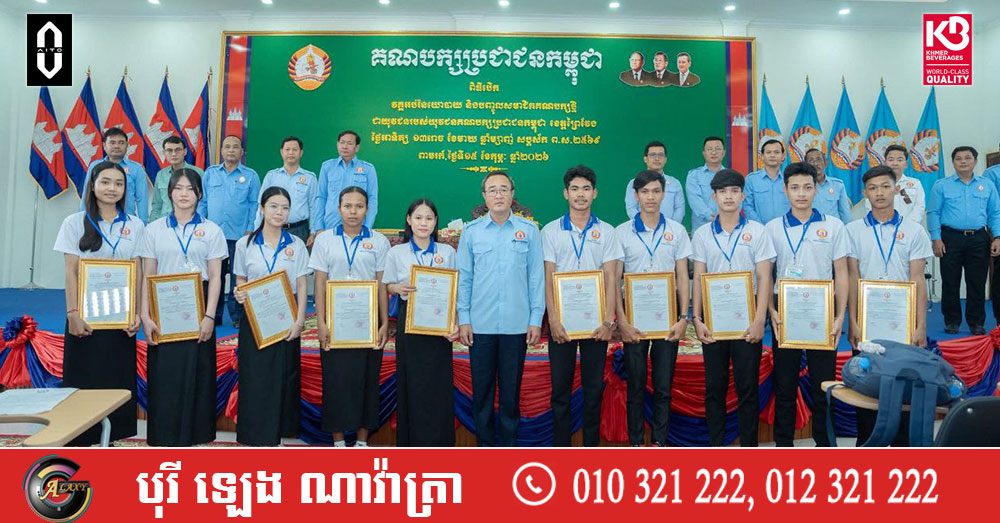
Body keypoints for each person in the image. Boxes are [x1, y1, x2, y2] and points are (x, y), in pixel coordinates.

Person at [54, 161, 144, 446]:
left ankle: (111, 438)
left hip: (120, 318)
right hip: (85, 317)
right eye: (105, 182)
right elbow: (70, 272)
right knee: (84, 378)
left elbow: (138, 272)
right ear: (92, 186)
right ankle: (80, 437)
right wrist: (72, 313)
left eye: (118, 183)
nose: (112, 188)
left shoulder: (135, 225)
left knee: (115, 379)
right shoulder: (73, 223)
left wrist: (136, 313)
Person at [763, 161, 850, 447]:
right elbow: (765, 275)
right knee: (785, 384)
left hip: (822, 308)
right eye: (795, 188)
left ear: (816, 190)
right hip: (785, 311)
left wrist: (840, 316)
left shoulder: (833, 226)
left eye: (807, 187)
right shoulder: (772, 228)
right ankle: (784, 446)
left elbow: (842, 273)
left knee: (823, 384)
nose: (801, 193)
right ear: (785, 190)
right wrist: (772, 311)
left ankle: (825, 446)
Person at [139, 168, 227, 446]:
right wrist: (145, 315)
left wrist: (210, 316)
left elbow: (216, 277)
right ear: (170, 193)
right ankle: (163, 436)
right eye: (178, 188)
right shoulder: (154, 230)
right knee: (165, 374)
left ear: (199, 194)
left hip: (199, 304)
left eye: (190, 188)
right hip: (163, 305)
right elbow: (148, 275)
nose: (184, 194)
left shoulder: (212, 230)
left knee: (197, 372)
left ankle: (195, 437)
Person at [456, 171, 545, 446]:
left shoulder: (529, 231)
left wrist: (536, 319)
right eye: (492, 190)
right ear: (484, 196)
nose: (498, 195)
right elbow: (464, 278)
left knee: (510, 394)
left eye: (503, 189)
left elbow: (536, 278)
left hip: (516, 325)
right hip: (480, 326)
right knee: (482, 394)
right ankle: (484, 449)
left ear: (512, 195)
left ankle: (508, 450)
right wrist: (464, 318)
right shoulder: (471, 232)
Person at [846, 165, 932, 446]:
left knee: (904, 384)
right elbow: (853, 277)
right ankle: (867, 445)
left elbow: (917, 279)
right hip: (867, 321)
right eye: (873, 188)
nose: (880, 193)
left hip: (903, 321)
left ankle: (902, 449)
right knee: (867, 383)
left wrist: (921, 325)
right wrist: (853, 322)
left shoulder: (914, 230)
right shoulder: (852, 231)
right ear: (865, 193)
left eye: (885, 186)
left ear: (896, 189)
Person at [691, 169, 775, 447]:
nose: (728, 196)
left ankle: (749, 447)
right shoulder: (702, 234)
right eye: (722, 192)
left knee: (747, 387)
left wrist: (759, 319)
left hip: (748, 319)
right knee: (714, 387)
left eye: (734, 191)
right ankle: (716, 446)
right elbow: (699, 277)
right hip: (713, 320)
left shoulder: (757, 231)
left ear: (743, 196)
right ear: (714, 197)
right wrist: (697, 318)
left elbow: (765, 277)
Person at [541, 165, 621, 447]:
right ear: (566, 193)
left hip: (596, 325)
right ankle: (561, 449)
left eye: (586, 189)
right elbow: (548, 278)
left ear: (594, 193)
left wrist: (609, 321)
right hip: (561, 324)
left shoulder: (607, 231)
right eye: (574, 189)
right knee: (560, 391)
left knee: (594, 389)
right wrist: (553, 321)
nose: (580, 194)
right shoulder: (550, 231)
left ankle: (590, 449)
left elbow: (611, 278)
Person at [614, 169, 691, 447]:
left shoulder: (676, 231)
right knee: (635, 384)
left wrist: (684, 317)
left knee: (663, 385)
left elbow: (683, 276)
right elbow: (615, 279)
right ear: (636, 196)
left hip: (667, 316)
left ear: (663, 194)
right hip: (633, 317)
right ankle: (636, 443)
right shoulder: (621, 232)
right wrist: (621, 321)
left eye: (656, 191)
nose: (650, 197)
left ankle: (659, 442)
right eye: (645, 192)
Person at [309, 186, 390, 447]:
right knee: (336, 380)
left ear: (367, 209)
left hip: (368, 323)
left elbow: (382, 285)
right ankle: (339, 442)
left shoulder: (379, 241)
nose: (353, 212)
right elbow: (320, 284)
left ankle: (362, 442)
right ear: (339, 208)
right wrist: (321, 322)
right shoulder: (325, 240)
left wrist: (384, 323)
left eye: (359, 206)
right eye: (348, 206)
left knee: (367, 379)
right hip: (336, 322)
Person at [232, 187, 310, 446]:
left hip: (286, 320)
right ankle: (253, 435)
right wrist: (239, 291)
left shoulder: (296, 244)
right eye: (274, 206)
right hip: (254, 320)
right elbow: (241, 278)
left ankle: (278, 434)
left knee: (282, 376)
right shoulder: (245, 244)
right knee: (254, 375)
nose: (279, 212)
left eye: (285, 208)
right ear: (262, 208)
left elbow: (302, 285)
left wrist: (299, 321)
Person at [382, 198, 458, 447]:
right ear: (409, 220)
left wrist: (455, 323)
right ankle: (411, 443)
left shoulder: (447, 252)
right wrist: (397, 287)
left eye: (428, 218)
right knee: (412, 382)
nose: (423, 223)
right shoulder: (397, 252)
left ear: (436, 222)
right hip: (410, 323)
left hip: (439, 325)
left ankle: (440, 445)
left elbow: (455, 291)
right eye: (418, 218)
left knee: (438, 385)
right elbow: (387, 285)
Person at [927, 146, 1000, 335]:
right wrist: (936, 238)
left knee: (977, 282)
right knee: (950, 281)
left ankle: (976, 323)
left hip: (979, 238)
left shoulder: (987, 185)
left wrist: (997, 237)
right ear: (953, 162)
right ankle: (952, 321)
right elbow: (933, 213)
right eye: (958, 158)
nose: (963, 161)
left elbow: (995, 213)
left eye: (968, 158)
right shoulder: (941, 186)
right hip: (950, 238)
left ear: (975, 161)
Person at [198, 135, 261, 328]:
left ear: (242, 151)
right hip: (213, 236)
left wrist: (250, 229)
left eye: (235, 147)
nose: (231, 150)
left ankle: (237, 316)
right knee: (213, 276)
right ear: (221, 151)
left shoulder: (251, 176)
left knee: (237, 277)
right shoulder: (210, 174)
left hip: (239, 236)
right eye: (227, 147)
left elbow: (255, 205)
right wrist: (200, 227)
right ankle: (213, 314)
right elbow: (203, 202)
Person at [254, 136, 319, 245]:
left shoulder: (310, 178)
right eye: (287, 149)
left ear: (301, 153)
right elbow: (261, 205)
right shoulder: (271, 176)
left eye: (294, 149)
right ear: (281, 152)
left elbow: (314, 207)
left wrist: (313, 232)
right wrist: (257, 229)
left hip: (299, 230)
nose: (291, 153)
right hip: (272, 228)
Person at [78, 127, 149, 223]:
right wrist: (82, 219)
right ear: (104, 145)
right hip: (98, 221)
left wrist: (143, 224)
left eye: (121, 143)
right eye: (112, 143)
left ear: (127, 145)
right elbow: (87, 194)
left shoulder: (136, 169)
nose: (116, 146)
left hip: (126, 222)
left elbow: (142, 199)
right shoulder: (95, 166)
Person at [316, 130, 379, 231]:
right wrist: (318, 227)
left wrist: (367, 227)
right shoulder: (327, 167)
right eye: (342, 142)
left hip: (358, 225)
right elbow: (321, 197)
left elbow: (372, 199)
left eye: (349, 143)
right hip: (331, 224)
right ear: (337, 144)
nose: (345, 146)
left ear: (357, 147)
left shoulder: (368, 169)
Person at [624, 141, 685, 222]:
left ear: (665, 159)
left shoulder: (675, 183)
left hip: (669, 228)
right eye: (653, 155)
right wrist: (644, 224)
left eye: (661, 155)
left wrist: (671, 226)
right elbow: (631, 208)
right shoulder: (634, 182)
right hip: (642, 227)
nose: (657, 159)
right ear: (645, 159)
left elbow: (679, 208)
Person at [867, 144, 926, 225]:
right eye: (891, 160)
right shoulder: (875, 183)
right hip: (882, 227)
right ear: (885, 162)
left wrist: (909, 226)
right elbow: (870, 206)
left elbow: (919, 207)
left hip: (910, 227)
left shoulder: (915, 183)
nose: (895, 163)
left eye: (899, 160)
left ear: (906, 164)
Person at [151, 136, 203, 222]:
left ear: (185, 151)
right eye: (169, 150)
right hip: (165, 223)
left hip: (190, 221)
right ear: (164, 153)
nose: (174, 154)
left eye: (178, 150)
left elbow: (203, 202)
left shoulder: (198, 173)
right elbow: (157, 205)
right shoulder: (161, 175)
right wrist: (153, 224)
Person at [686, 136, 729, 232]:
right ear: (704, 153)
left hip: (727, 227)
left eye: (718, 149)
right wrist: (712, 216)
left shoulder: (731, 175)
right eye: (710, 149)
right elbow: (695, 201)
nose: (714, 152)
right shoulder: (694, 175)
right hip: (701, 228)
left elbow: (737, 200)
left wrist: (725, 216)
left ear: (723, 153)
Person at [744, 139, 790, 225]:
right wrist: (761, 227)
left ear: (783, 156)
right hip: (760, 228)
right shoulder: (751, 179)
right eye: (768, 152)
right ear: (762, 156)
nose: (772, 155)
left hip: (787, 228)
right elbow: (747, 206)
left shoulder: (789, 179)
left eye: (776, 152)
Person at [804, 147, 852, 223]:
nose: (815, 164)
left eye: (818, 159)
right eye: (811, 160)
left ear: (825, 163)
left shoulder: (837, 185)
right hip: (811, 227)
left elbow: (845, 214)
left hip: (833, 228)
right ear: (806, 165)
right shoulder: (802, 187)